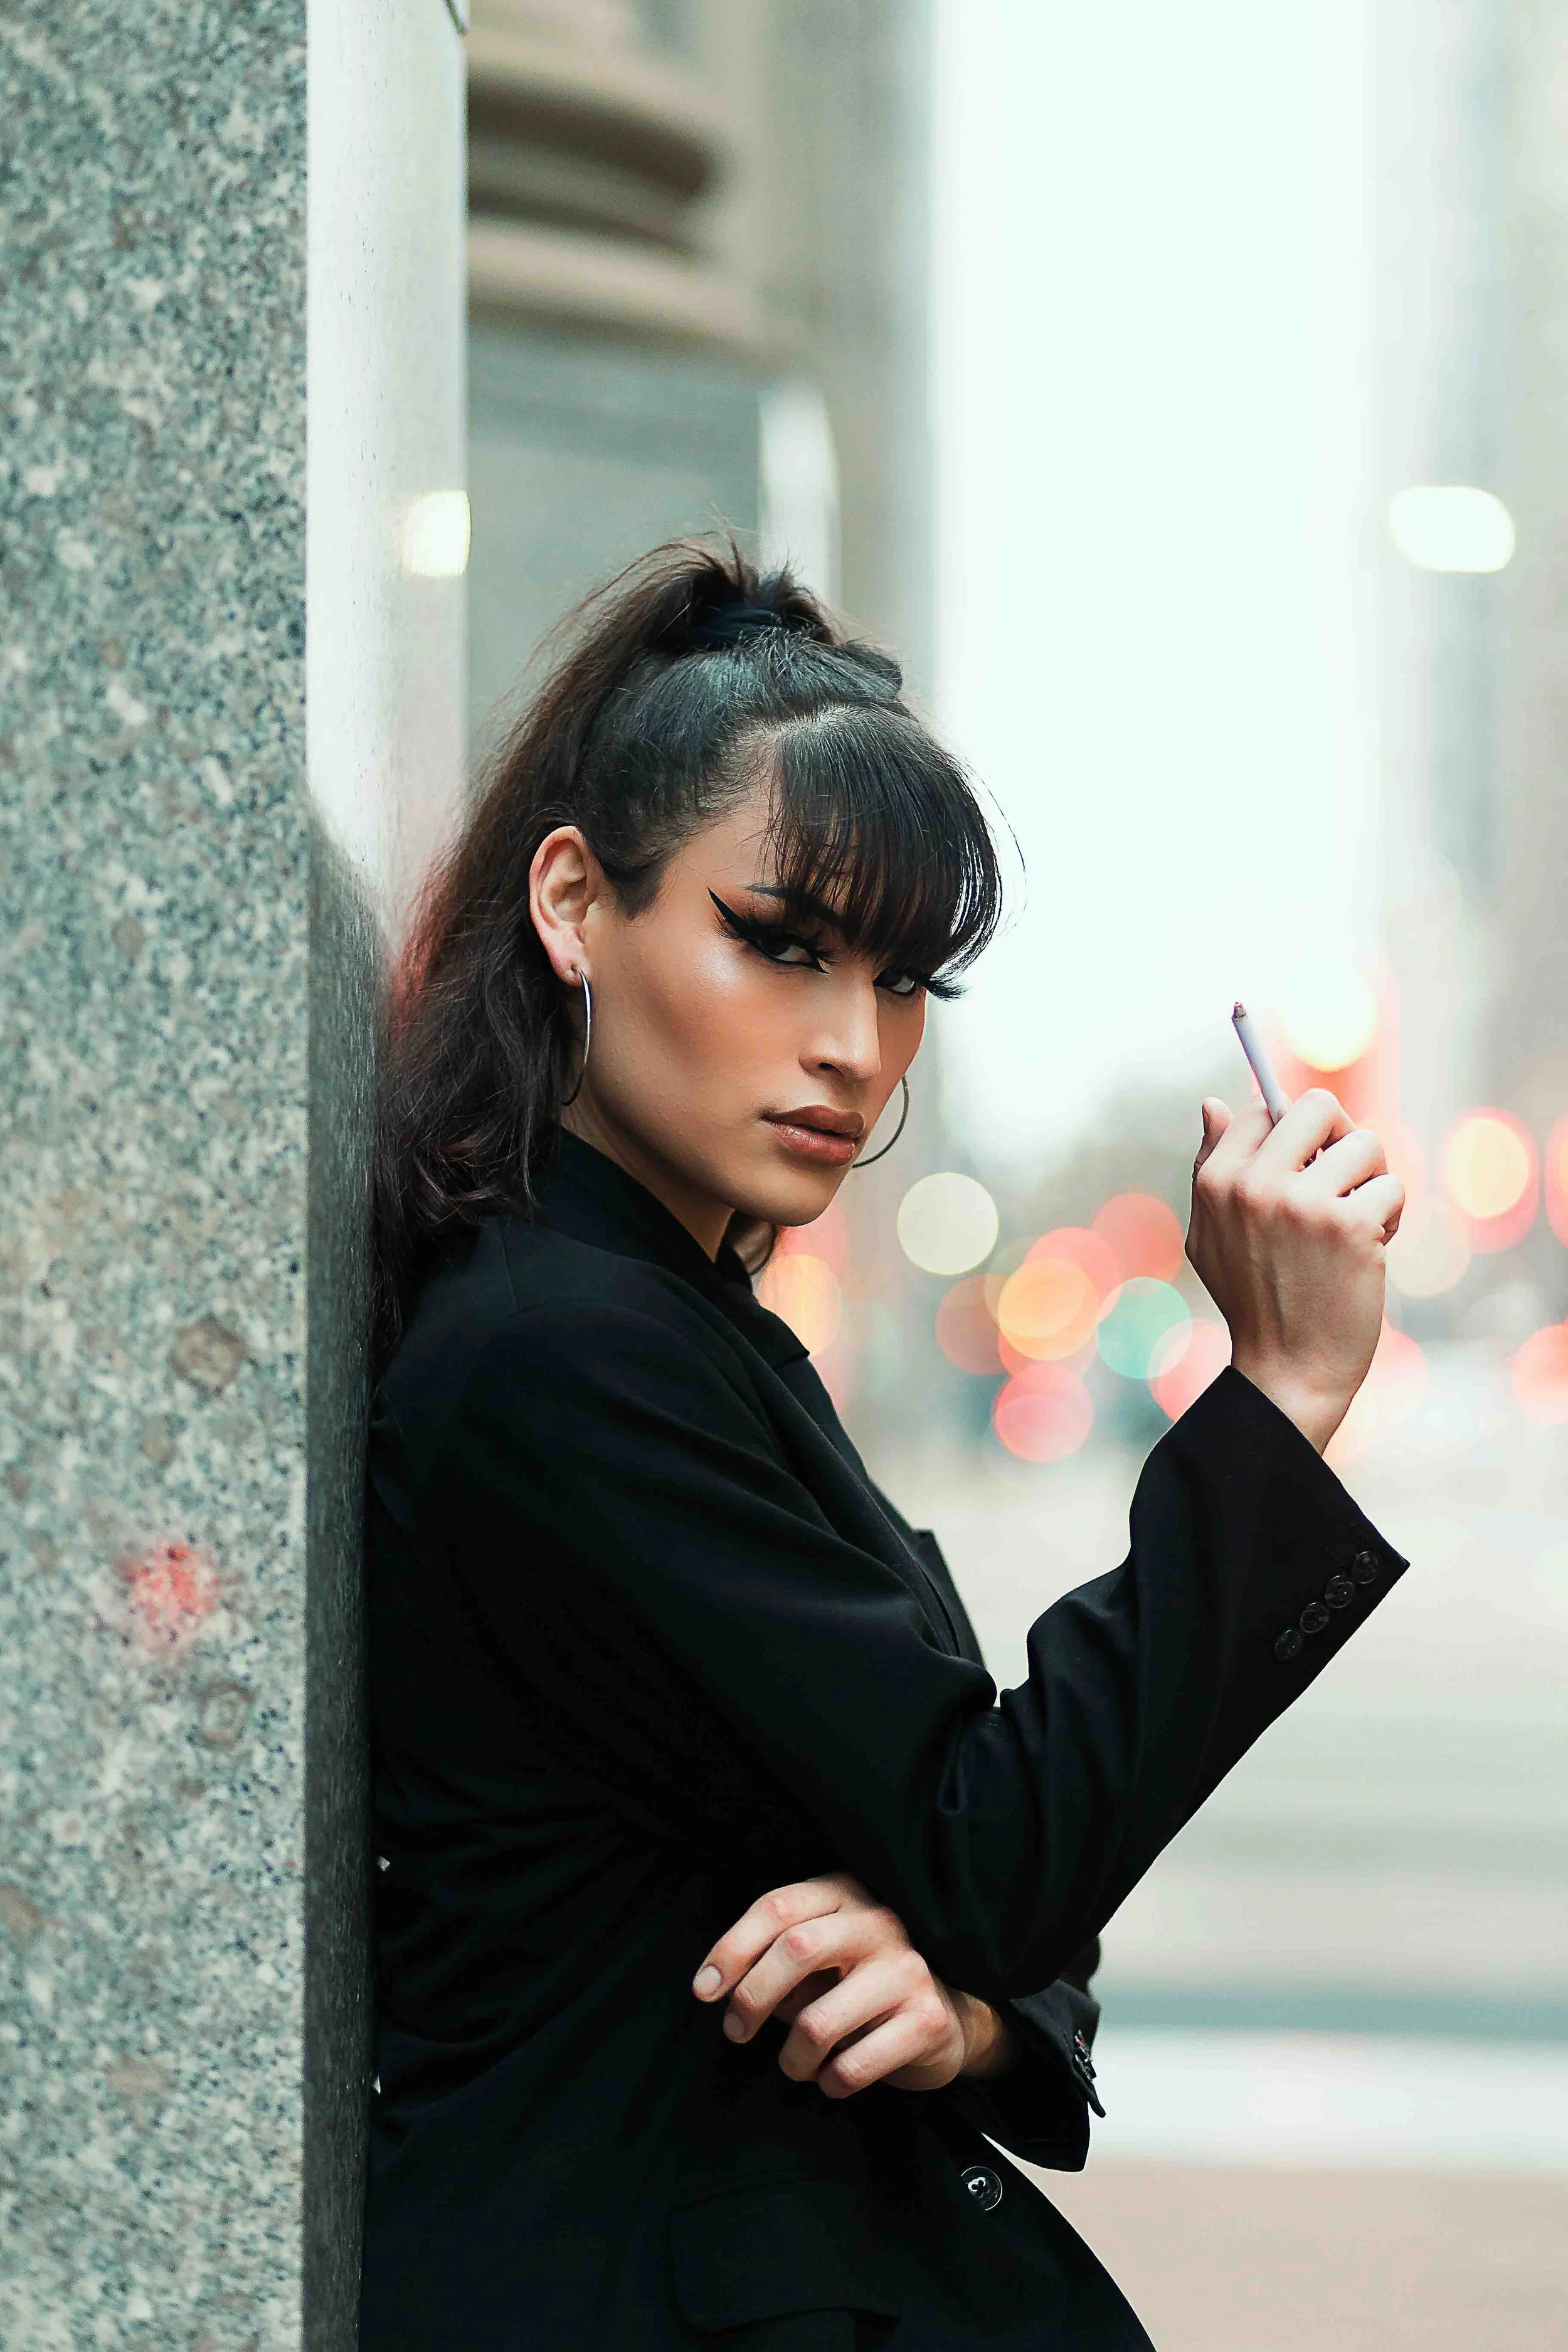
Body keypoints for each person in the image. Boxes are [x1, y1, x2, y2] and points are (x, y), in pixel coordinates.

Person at [359, 539, 1409, 2351]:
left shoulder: (678, 1326)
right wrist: (1281, 1398)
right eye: (776, 943)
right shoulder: (565, 1347)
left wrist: (977, 2012)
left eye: (904, 975)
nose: (851, 1045)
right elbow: (995, 1840)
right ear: (568, 903)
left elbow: (972, 1848)